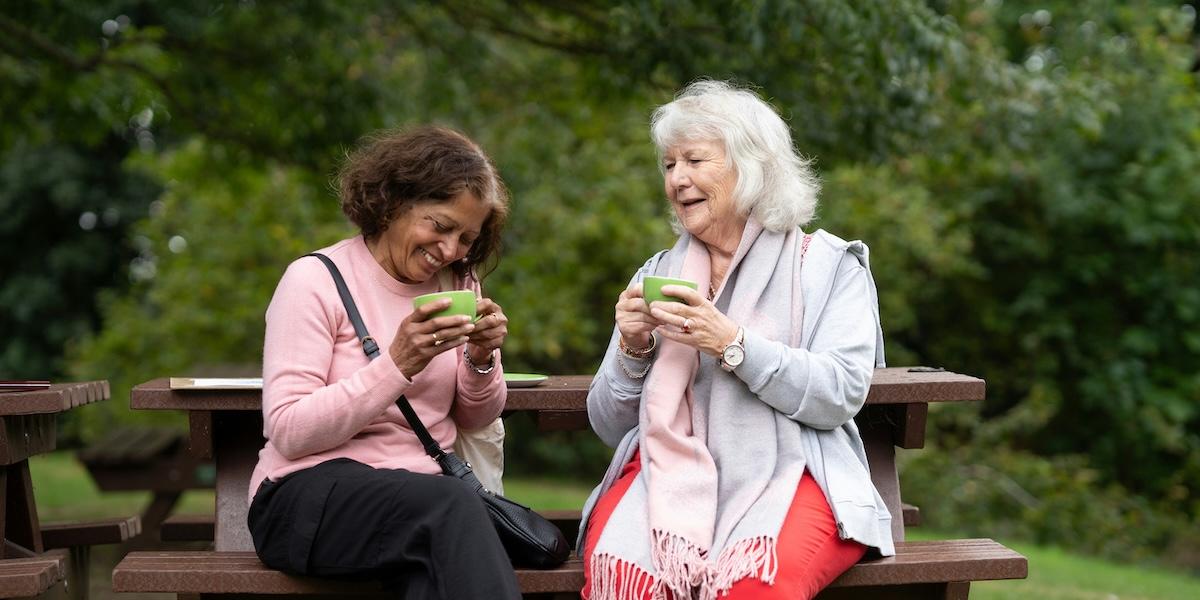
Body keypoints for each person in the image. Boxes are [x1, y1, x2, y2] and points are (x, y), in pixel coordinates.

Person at [580, 81, 893, 600]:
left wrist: (734, 344)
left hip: (796, 469)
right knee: (626, 577)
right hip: (667, 476)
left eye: (695, 161)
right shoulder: (659, 273)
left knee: (752, 588)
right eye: (669, 165)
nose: (677, 179)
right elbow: (610, 425)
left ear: (751, 168)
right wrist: (632, 349)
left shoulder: (829, 266)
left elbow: (839, 393)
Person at [246, 126, 520, 600]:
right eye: (440, 225)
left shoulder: (456, 286)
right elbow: (288, 428)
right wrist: (397, 364)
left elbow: (474, 415)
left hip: (423, 504)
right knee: (448, 513)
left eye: (466, 238)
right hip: (305, 497)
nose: (451, 249)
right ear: (393, 202)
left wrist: (480, 358)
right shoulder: (313, 280)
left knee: (434, 568)